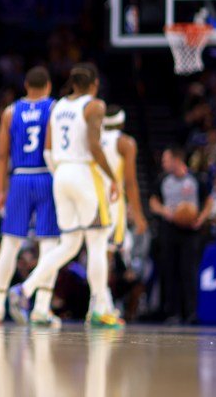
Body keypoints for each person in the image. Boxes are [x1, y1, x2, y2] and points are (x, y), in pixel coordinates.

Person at [9, 64, 122, 328]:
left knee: (69, 245)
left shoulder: (57, 106)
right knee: (97, 243)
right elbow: (94, 146)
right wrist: (113, 178)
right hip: (84, 173)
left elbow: (48, 151)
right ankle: (99, 309)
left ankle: (24, 290)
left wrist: (61, 173)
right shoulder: (94, 105)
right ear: (94, 84)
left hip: (60, 173)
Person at [0, 67, 59, 324]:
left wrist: (1, 189)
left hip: (20, 177)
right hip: (47, 176)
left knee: (10, 243)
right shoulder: (54, 108)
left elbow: (2, 155)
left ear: (26, 85)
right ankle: (42, 307)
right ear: (48, 86)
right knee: (49, 243)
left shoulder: (10, 112)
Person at [149, 146, 213, 324]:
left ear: (176, 160)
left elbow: (209, 201)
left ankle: (191, 313)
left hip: (191, 232)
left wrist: (201, 218)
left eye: (166, 160)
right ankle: (172, 313)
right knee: (170, 271)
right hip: (170, 230)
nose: (163, 163)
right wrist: (165, 211)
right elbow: (153, 201)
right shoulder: (163, 180)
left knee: (189, 271)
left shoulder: (196, 179)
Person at [98, 105, 148, 318]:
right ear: (122, 122)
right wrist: (138, 214)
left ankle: (101, 303)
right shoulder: (125, 142)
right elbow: (130, 182)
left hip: (91, 197)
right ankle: (101, 306)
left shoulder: (93, 139)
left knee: (98, 253)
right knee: (106, 255)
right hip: (112, 201)